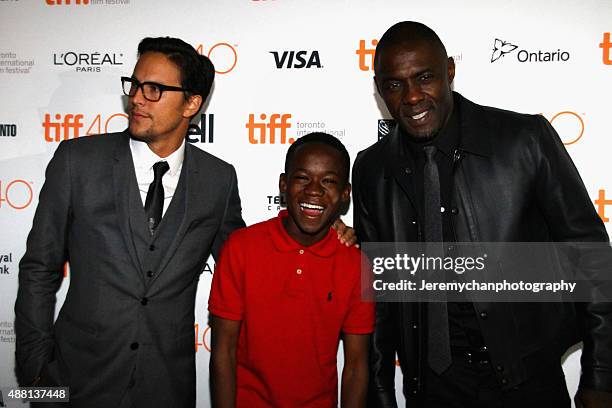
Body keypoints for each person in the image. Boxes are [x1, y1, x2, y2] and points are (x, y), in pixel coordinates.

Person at [352, 21, 612, 408]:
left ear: (450, 73)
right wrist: (380, 392)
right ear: (380, 90)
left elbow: (588, 254)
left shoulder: (524, 139)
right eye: (394, 85)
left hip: (528, 381)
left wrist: (601, 375)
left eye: (424, 77)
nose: (411, 97)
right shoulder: (373, 168)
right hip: (433, 389)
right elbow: (380, 294)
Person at [14, 37, 245, 408]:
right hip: (71, 384)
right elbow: (40, 267)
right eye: (135, 85)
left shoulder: (217, 180)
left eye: (154, 89)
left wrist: (326, 236)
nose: (137, 98)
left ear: (192, 103)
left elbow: (247, 261)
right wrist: (38, 374)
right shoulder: (78, 161)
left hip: (167, 388)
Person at [208, 132, 375, 408]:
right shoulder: (241, 248)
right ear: (283, 184)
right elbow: (223, 351)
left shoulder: (356, 265)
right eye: (302, 178)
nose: (314, 190)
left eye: (329, 181)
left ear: (345, 193)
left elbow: (356, 367)